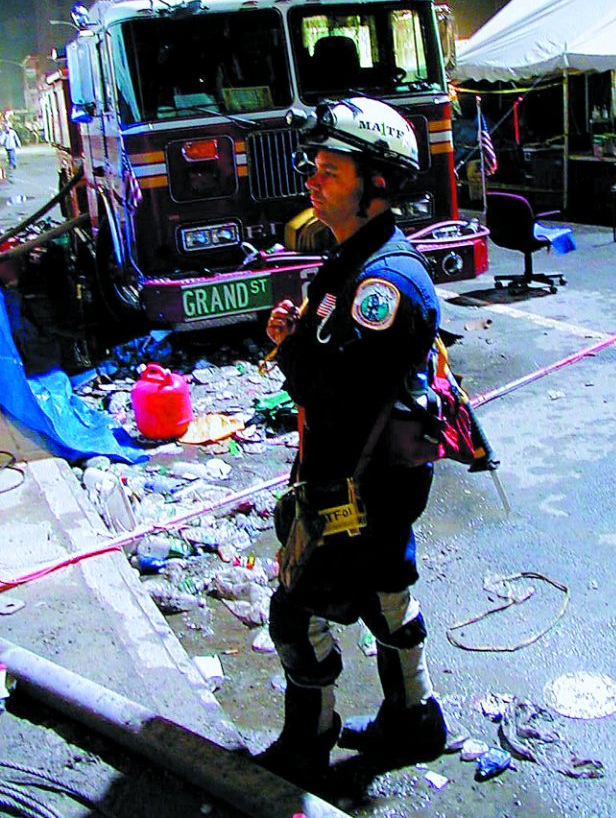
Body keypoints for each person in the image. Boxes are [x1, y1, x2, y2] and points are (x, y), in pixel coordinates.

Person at [260, 96, 447, 786]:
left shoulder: (385, 283)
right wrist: (297, 335)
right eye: (315, 168)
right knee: (388, 592)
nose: (312, 181)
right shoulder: (352, 261)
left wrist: (290, 356)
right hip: (373, 483)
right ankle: (414, 718)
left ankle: (310, 739)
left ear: (377, 184)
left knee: (293, 611)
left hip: (357, 489)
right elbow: (338, 362)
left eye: (330, 171)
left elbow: (339, 396)